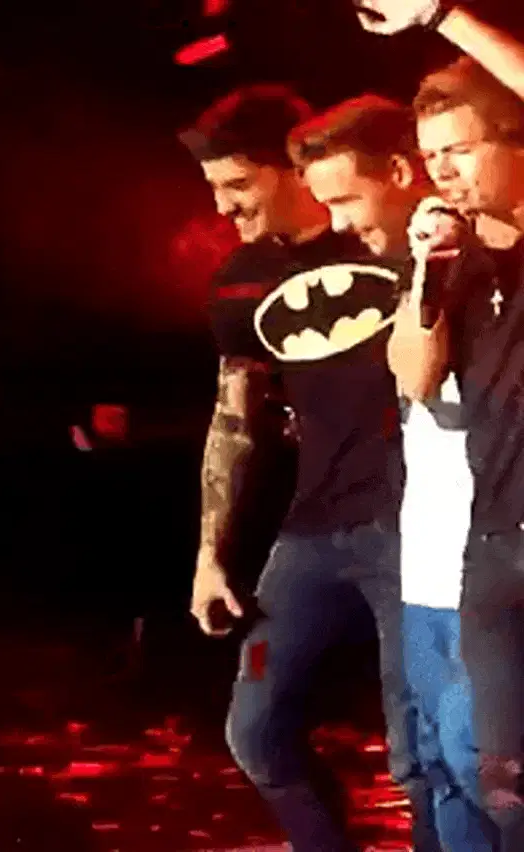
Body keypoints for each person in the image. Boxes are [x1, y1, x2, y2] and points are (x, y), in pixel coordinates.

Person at [182, 85, 437, 851]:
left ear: (293, 169)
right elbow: (235, 418)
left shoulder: (388, 239)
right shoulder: (239, 278)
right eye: (214, 187)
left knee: (420, 750)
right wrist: (211, 555)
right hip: (313, 530)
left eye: (239, 183)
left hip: (412, 526)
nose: (223, 206)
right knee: (256, 732)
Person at [290, 101, 496, 851]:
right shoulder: (408, 272)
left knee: (481, 770)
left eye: (346, 199)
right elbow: (413, 378)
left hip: (485, 564)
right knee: (432, 768)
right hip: (425, 564)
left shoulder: (492, 256)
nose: (339, 223)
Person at [352, 2, 524, 847]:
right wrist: (424, 273)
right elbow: (414, 377)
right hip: (492, 551)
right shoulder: (455, 257)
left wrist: (442, 13)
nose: (442, 172)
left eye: (460, 149)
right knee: (498, 779)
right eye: (430, 157)